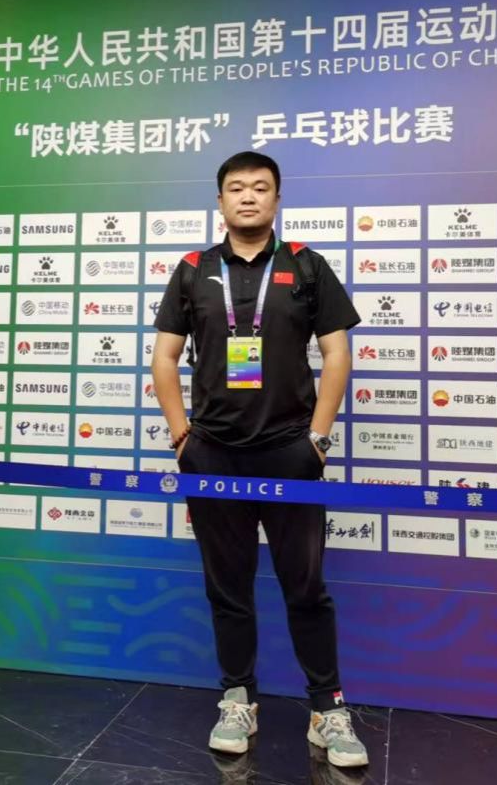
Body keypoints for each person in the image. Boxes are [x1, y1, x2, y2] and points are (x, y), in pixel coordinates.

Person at [151, 151, 368, 769]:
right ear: (220, 201)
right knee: (228, 587)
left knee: (306, 587)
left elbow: (337, 353)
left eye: (260, 187)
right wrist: (182, 437)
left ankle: (327, 710)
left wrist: (317, 439)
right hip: (213, 454)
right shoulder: (193, 270)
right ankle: (237, 698)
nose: (248, 197)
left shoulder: (306, 265)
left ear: (277, 198)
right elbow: (165, 357)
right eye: (236, 188)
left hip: (289, 452)